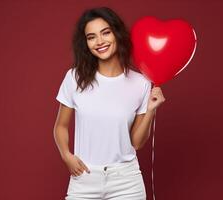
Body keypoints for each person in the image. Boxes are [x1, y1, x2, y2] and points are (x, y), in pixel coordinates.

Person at [53, 7, 165, 200]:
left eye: (105, 33)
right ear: (86, 43)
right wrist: (66, 155)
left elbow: (137, 142)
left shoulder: (141, 83)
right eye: (91, 37)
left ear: (117, 34)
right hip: (85, 177)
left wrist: (151, 110)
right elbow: (60, 126)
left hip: (126, 181)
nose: (100, 42)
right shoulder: (75, 77)